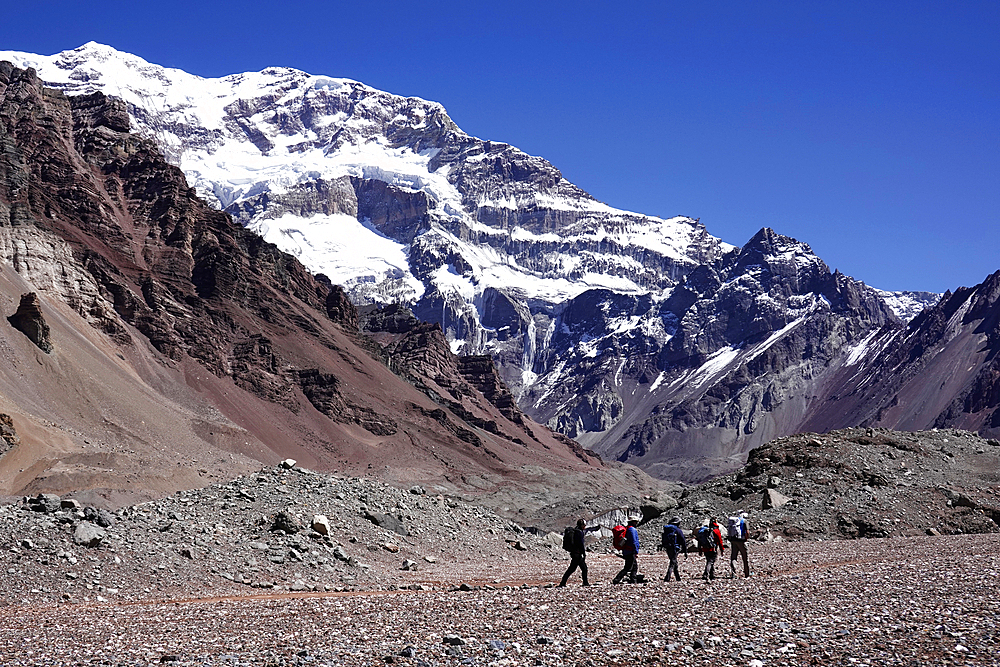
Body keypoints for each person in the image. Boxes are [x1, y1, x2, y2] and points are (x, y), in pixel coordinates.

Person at [559, 519, 600, 587]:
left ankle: (564, 583)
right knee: (575, 569)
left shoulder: (576, 530)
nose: (585, 526)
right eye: (584, 525)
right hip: (577, 554)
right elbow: (581, 544)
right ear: (582, 525)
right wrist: (583, 553)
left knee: (579, 568)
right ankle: (564, 583)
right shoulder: (579, 532)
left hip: (575, 553)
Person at [612, 517, 641, 584]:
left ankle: (633, 579)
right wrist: (636, 551)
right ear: (633, 522)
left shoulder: (627, 529)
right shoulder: (632, 529)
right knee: (628, 567)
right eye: (636, 522)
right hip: (630, 551)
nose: (636, 523)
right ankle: (617, 579)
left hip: (626, 550)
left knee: (634, 566)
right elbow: (634, 541)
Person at [660, 516, 687, 581]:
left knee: (674, 561)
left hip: (668, 547)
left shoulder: (667, 530)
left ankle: (678, 577)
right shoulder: (678, 530)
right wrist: (685, 551)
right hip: (675, 548)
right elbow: (683, 540)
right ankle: (667, 577)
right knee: (672, 562)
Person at [727, 513, 751, 578]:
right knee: (745, 557)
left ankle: (733, 573)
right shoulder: (744, 521)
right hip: (741, 541)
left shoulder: (734, 521)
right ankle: (747, 573)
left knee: (733, 556)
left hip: (733, 540)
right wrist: (746, 539)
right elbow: (747, 532)